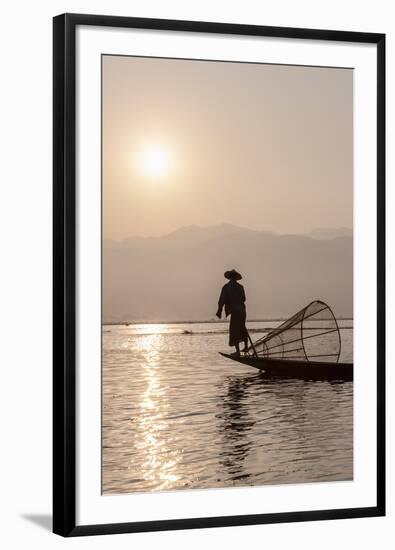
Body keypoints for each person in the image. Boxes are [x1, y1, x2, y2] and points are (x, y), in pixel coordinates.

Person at [216, 269, 249, 356]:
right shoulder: (240, 287)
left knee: (234, 330)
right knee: (242, 328)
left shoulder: (226, 287)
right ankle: (246, 347)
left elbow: (222, 300)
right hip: (242, 310)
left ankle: (238, 352)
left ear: (230, 277)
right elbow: (244, 299)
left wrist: (219, 310)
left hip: (235, 311)